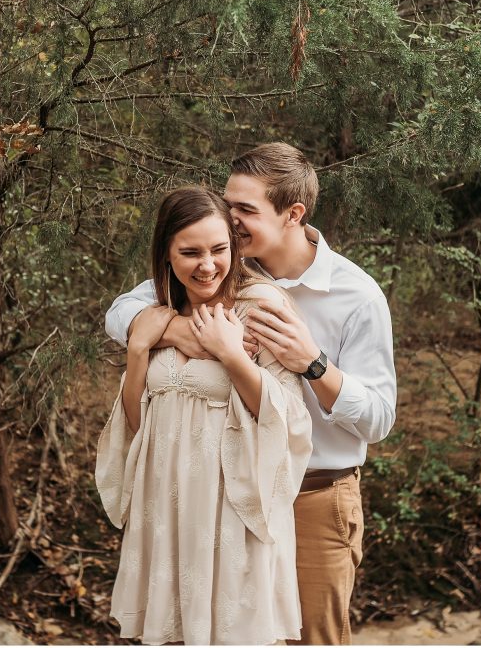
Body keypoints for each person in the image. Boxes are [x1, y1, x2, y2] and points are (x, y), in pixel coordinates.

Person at [106, 143, 397, 645]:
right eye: (228, 204)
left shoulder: (356, 295)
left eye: (245, 210)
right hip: (220, 495)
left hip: (313, 493)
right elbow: (123, 312)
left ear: (293, 214)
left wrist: (313, 363)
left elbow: (378, 420)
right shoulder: (224, 265)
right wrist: (177, 330)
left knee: (315, 639)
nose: (230, 220)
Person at [95, 187, 313, 645]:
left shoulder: (261, 307)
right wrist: (138, 351)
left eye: (218, 250)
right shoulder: (158, 313)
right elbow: (137, 425)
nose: (208, 265)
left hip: (232, 507)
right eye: (190, 252)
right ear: (167, 255)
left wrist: (232, 357)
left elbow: (288, 419)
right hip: (168, 508)